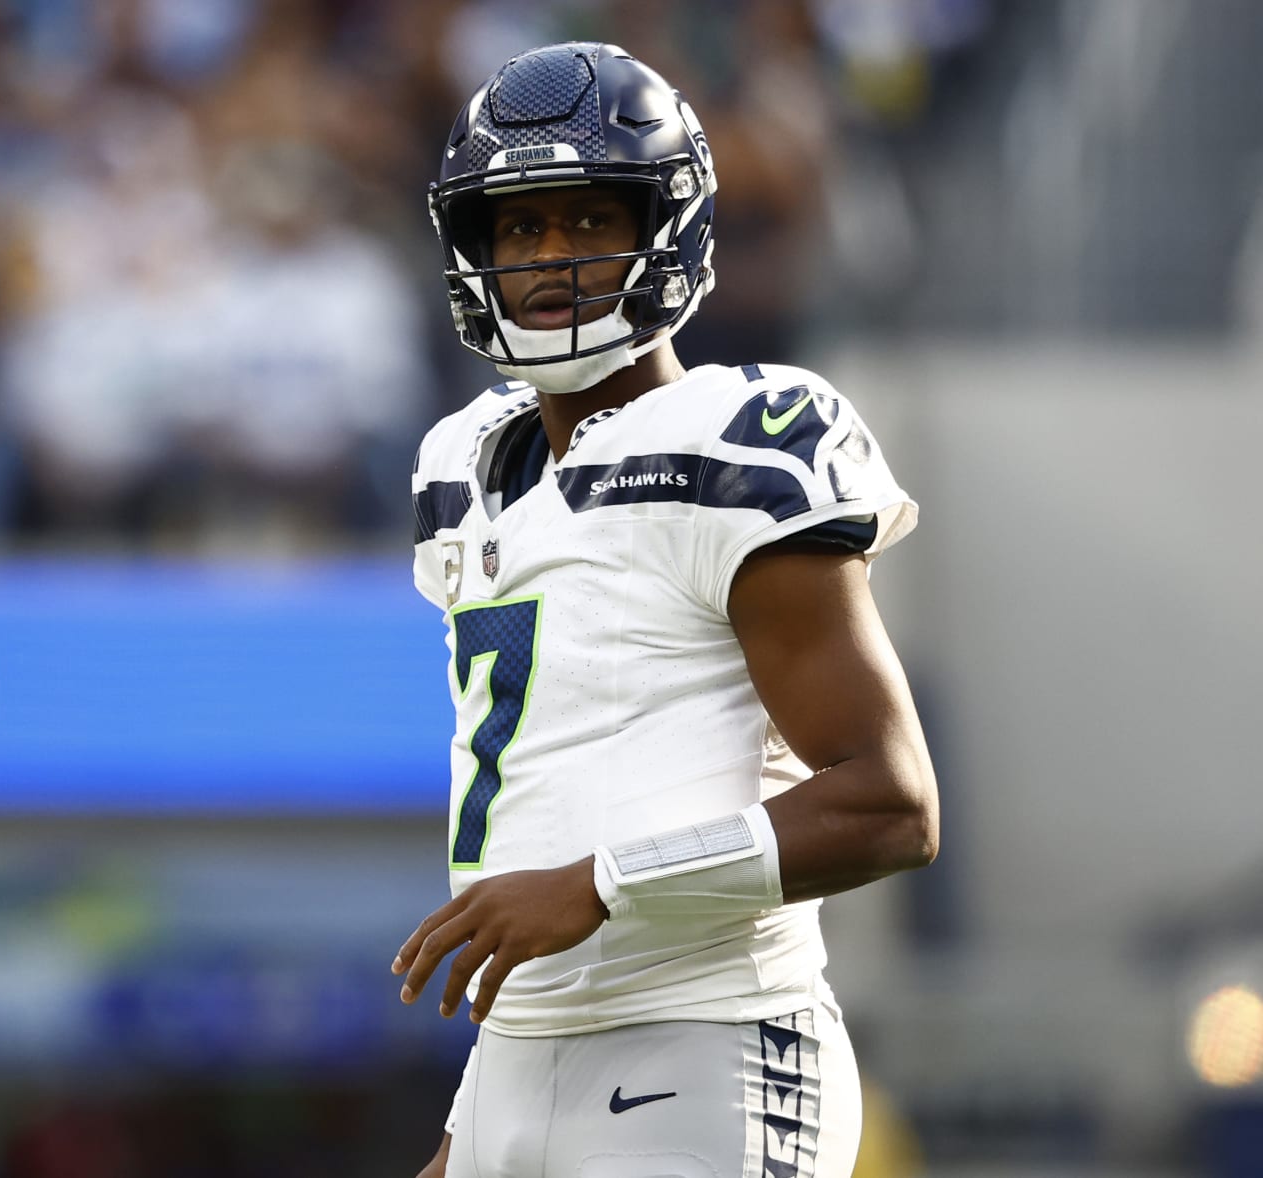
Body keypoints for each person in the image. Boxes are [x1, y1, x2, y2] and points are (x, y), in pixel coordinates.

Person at [395, 42, 938, 1178]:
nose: (550, 257)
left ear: (670, 227)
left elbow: (891, 804)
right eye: (520, 225)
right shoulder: (460, 464)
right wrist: (475, 1115)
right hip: (513, 1063)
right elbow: (546, 790)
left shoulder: (739, 439)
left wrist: (601, 885)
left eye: (590, 220)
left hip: (710, 1040)